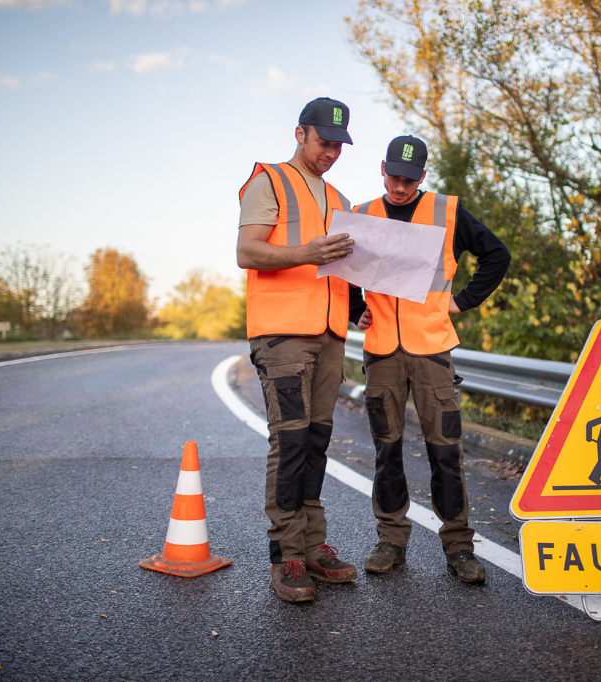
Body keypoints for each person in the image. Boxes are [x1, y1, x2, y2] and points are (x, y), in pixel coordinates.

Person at [351, 135, 511, 583]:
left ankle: (459, 545)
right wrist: (351, 309)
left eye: (409, 179)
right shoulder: (362, 216)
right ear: (381, 168)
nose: (400, 187)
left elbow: (497, 255)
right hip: (381, 350)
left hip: (433, 350)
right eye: (393, 177)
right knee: (386, 451)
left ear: (423, 175)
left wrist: (463, 301)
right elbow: (341, 266)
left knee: (445, 451)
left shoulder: (447, 212)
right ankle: (390, 541)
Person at [236, 97, 371, 603]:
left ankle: (313, 546)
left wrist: (357, 304)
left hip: (332, 332)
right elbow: (246, 251)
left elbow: (341, 267)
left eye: (338, 145)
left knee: (316, 442)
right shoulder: (268, 180)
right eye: (323, 142)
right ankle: (287, 555)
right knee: (290, 442)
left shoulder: (339, 197)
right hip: (283, 333)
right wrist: (305, 254)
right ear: (299, 133)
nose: (331, 153)